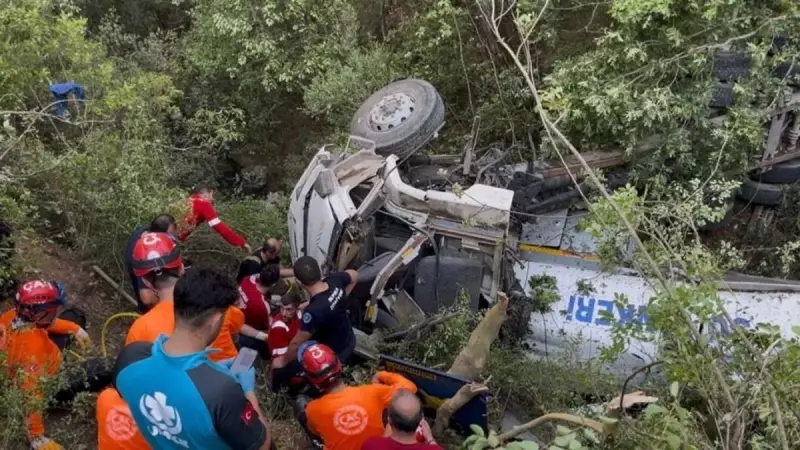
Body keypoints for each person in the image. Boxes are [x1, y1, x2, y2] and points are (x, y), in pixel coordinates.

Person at [113, 267, 271, 449]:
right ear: (214, 320)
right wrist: (248, 392)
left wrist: (206, 375)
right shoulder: (223, 391)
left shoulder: (130, 357)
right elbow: (262, 445)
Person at [124, 232, 267, 362]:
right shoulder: (216, 305)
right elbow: (238, 324)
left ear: (146, 281)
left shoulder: (139, 329)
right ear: (181, 267)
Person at [0, 280, 92, 450]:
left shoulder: (15, 314)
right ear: (41, 313)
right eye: (53, 308)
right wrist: (37, 436)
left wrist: (74, 329)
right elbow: (32, 394)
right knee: (99, 370)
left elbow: (50, 323)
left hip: (28, 362)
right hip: (48, 379)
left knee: (74, 317)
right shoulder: (33, 356)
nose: (57, 311)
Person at [296, 342, 417, 450]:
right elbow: (410, 388)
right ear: (339, 365)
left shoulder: (312, 410)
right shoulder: (372, 392)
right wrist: (381, 374)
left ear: (313, 380)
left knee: (301, 404)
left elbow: (315, 432)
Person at [283, 256, 359, 366]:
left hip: (334, 355)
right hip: (349, 339)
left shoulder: (313, 312)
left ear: (299, 282)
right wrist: (341, 298)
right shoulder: (335, 281)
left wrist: (283, 362)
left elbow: (296, 344)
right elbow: (354, 275)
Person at [124, 214, 177, 312]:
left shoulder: (142, 230)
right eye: (169, 236)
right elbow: (147, 297)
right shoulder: (147, 255)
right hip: (153, 311)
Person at [179, 183, 250, 252]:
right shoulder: (204, 204)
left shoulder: (185, 201)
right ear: (207, 194)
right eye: (212, 195)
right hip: (176, 238)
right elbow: (219, 227)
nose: (212, 199)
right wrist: (241, 242)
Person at [362, 390, 441, 449]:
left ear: (389, 420)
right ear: (421, 420)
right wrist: (430, 439)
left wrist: (385, 438)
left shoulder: (370, 444)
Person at [237, 264, 281, 358]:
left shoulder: (248, 279)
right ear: (273, 284)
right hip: (245, 328)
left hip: (236, 316)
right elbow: (268, 325)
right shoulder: (262, 306)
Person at [267, 293, 304, 392]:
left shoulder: (300, 316)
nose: (283, 313)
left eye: (288, 309)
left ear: (296, 309)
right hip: (286, 358)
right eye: (282, 308)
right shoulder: (279, 328)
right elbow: (279, 360)